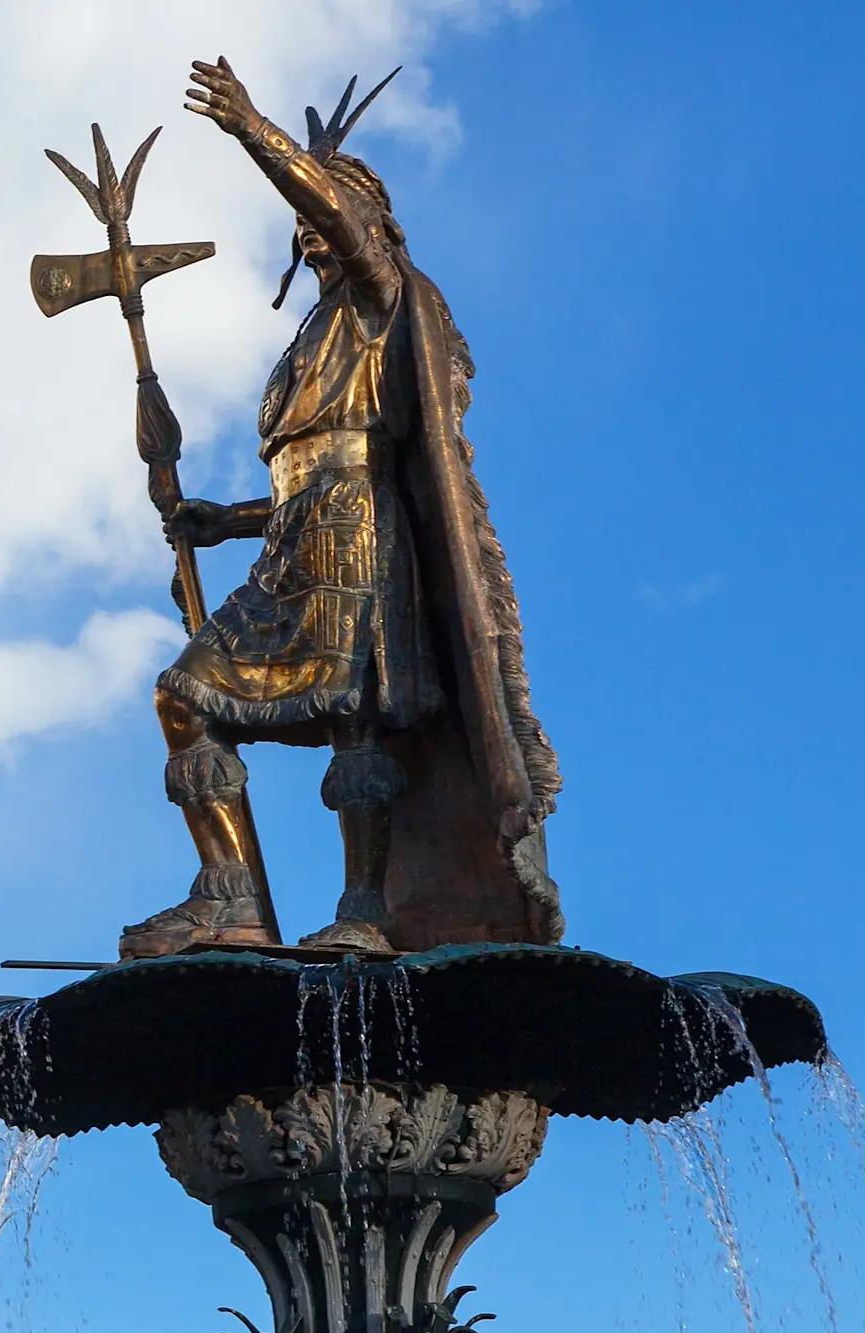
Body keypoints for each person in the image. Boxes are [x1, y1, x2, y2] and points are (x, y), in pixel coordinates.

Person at [123, 56, 565, 959]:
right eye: (303, 220)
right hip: (296, 542)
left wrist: (254, 129)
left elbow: (355, 470)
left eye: (324, 211)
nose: (312, 230)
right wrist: (223, 519)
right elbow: (308, 475)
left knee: (355, 721)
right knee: (185, 697)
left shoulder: (379, 296)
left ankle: (366, 909)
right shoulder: (311, 336)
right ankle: (232, 897)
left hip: (359, 541)